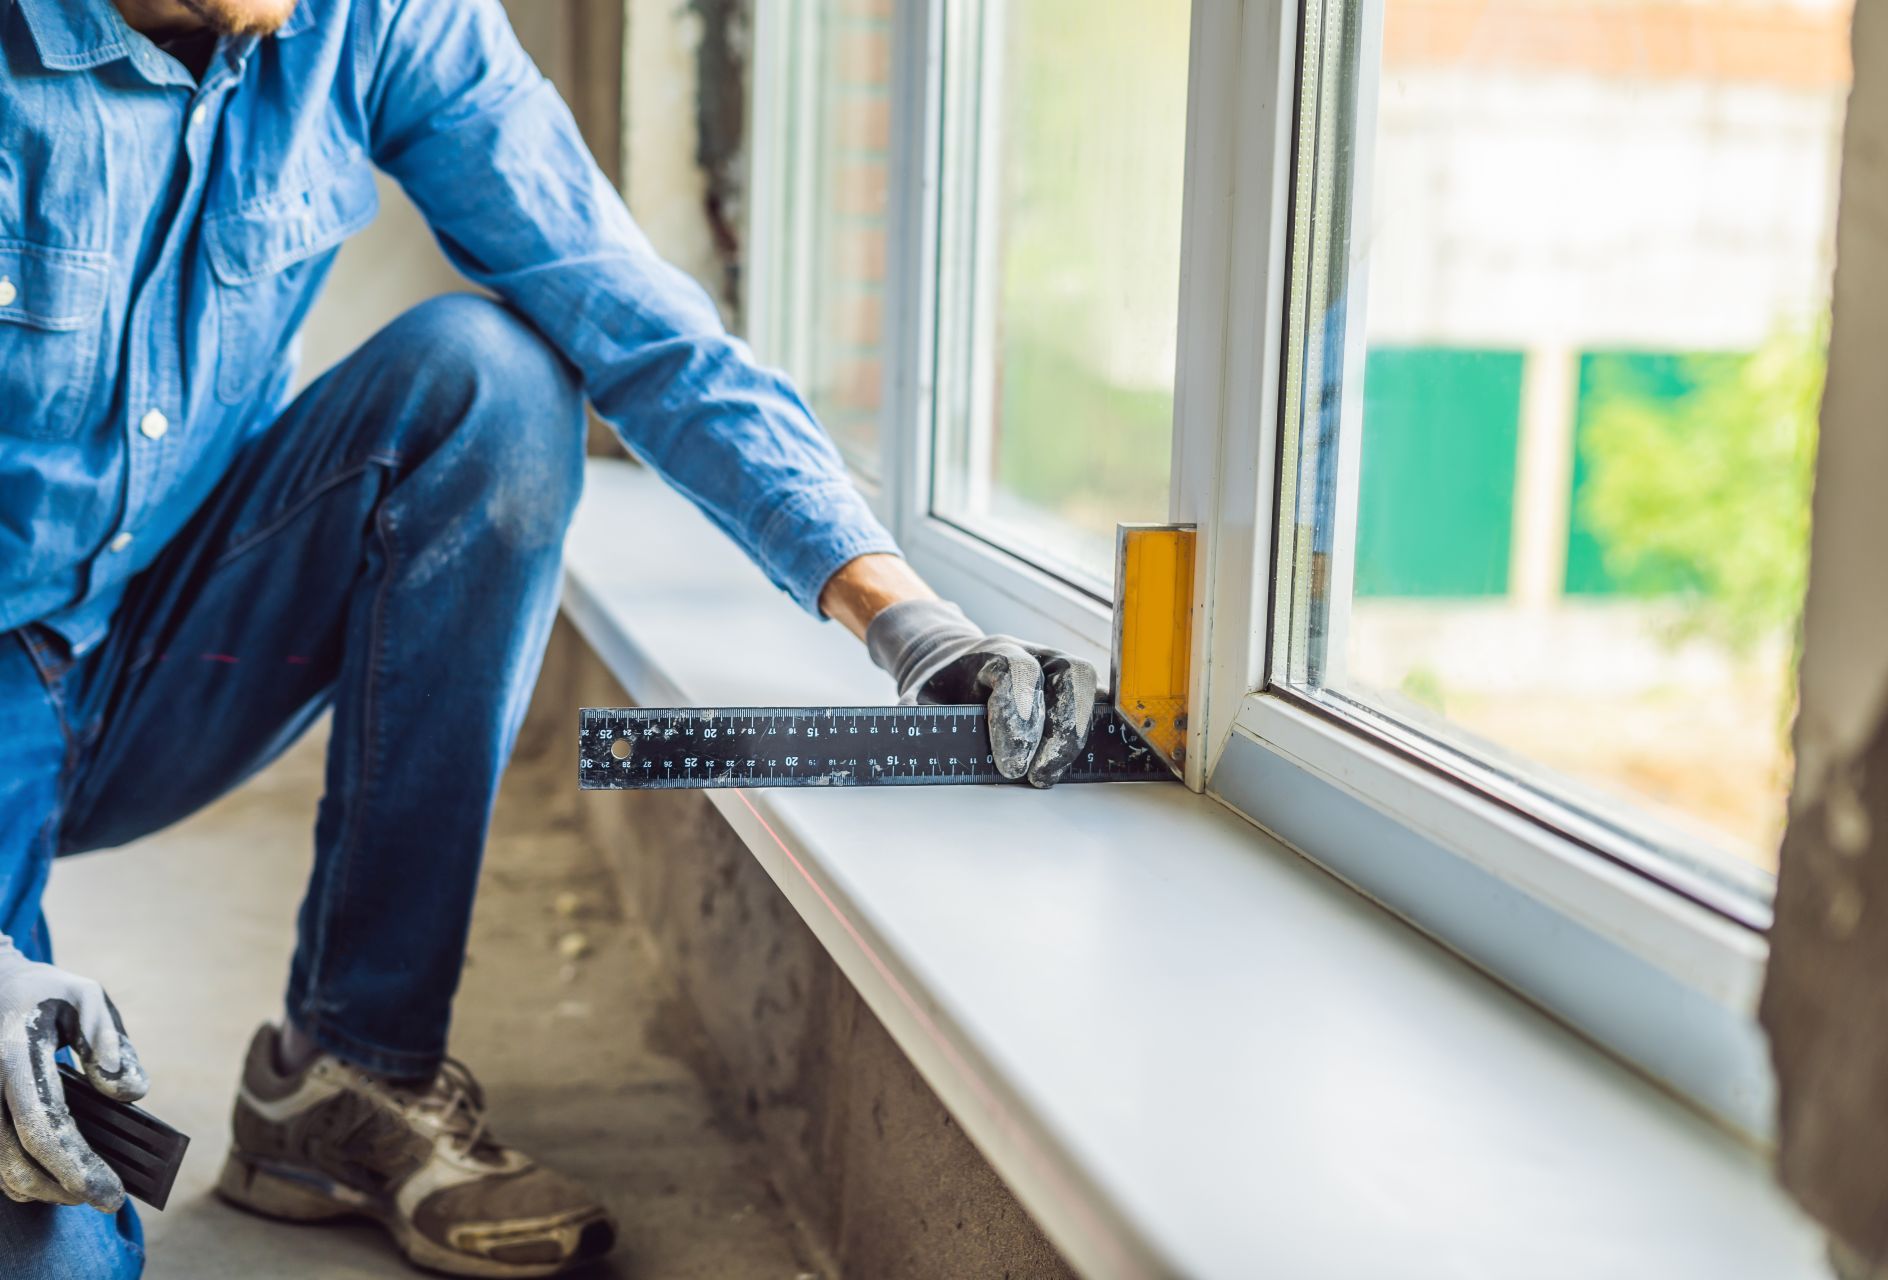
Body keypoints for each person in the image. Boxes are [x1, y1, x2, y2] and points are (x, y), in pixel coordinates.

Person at [0, 0, 1098, 1274]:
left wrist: (906, 621)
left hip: (179, 635)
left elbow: (630, 311)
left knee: (494, 384)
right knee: (54, 1253)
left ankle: (350, 1079)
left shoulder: (367, 21)